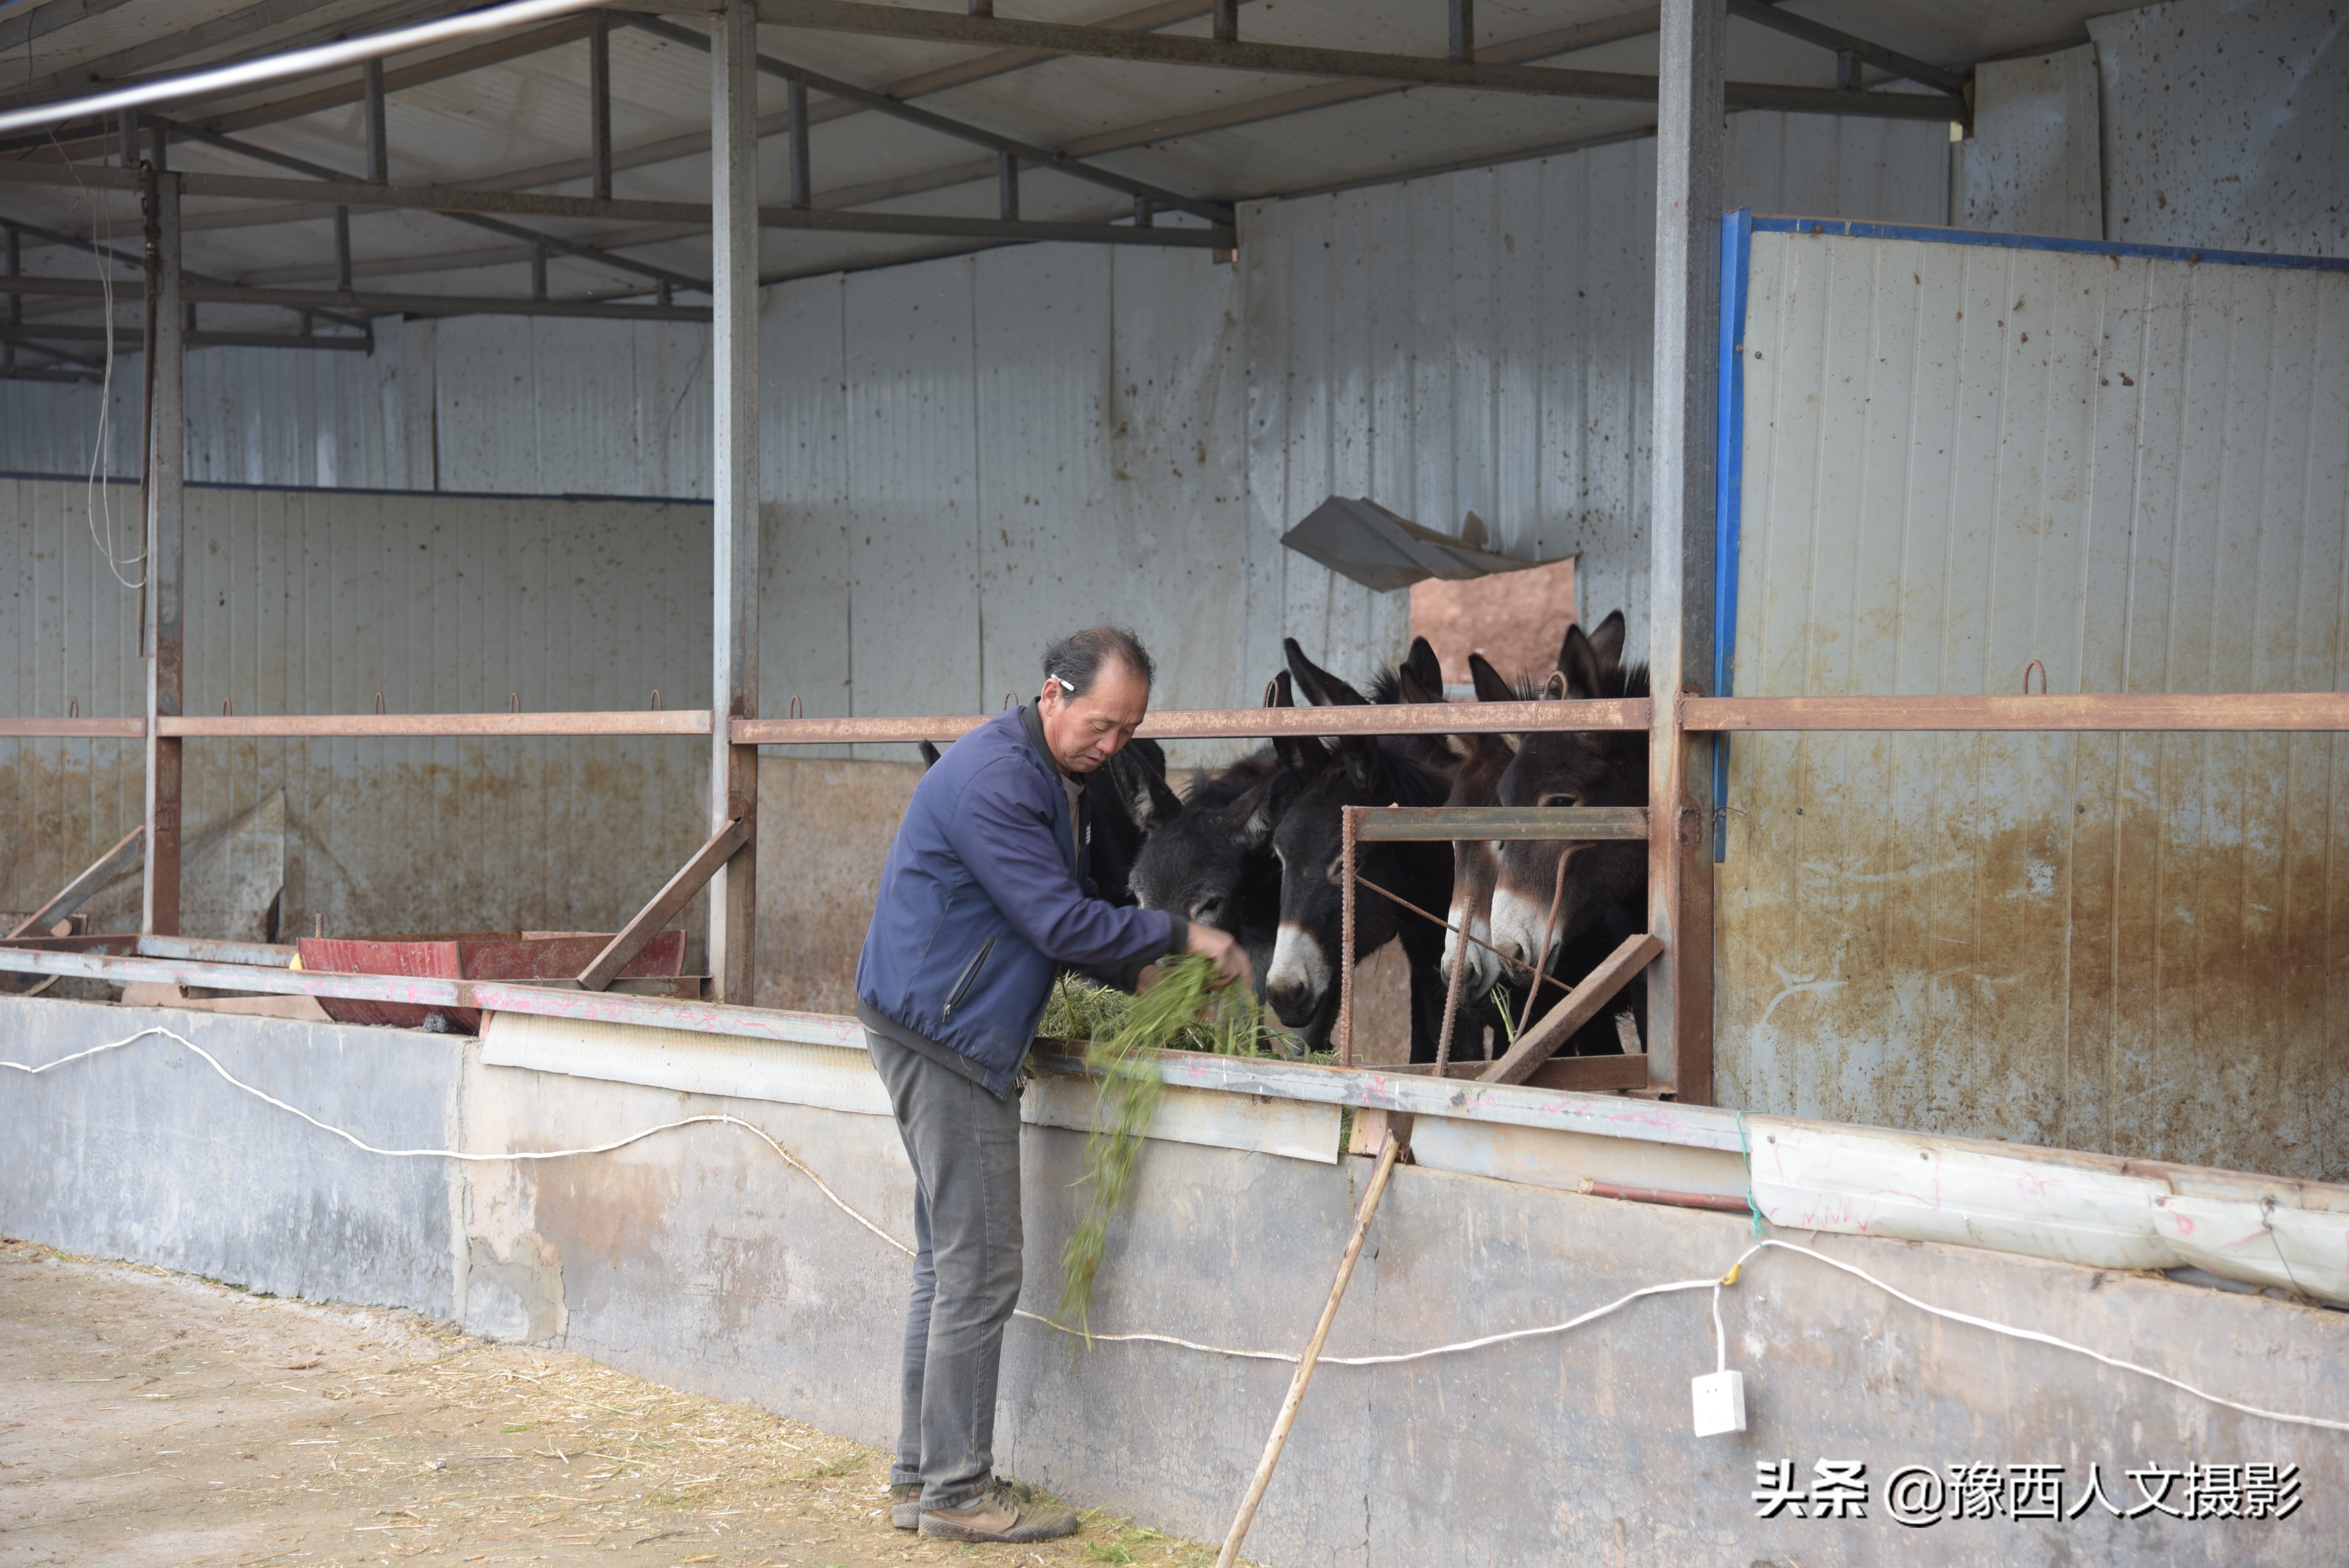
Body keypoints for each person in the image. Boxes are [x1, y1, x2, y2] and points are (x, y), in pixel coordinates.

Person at [855, 627, 1250, 1543]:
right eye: (1104, 723)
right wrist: (1179, 940)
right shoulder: (999, 781)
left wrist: (1135, 979)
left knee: (944, 1262)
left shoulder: (1045, 775)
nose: (1114, 745)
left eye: (1131, 728)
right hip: (946, 1033)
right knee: (982, 1266)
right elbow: (1052, 917)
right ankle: (956, 1493)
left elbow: (1044, 914)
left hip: (935, 1015)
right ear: (1052, 694)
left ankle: (921, 1478)